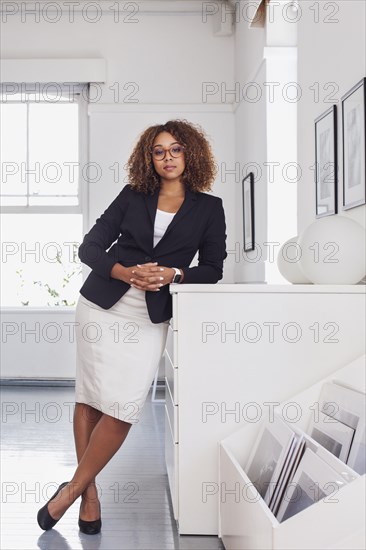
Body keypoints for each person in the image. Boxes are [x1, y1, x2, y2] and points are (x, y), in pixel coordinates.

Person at [37, 119, 227, 534]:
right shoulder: (132, 196)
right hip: (102, 305)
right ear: (149, 158)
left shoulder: (209, 207)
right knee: (89, 399)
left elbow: (213, 269)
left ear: (191, 153)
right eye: (159, 151)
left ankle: (69, 490)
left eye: (176, 149)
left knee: (123, 406)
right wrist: (124, 272)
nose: (168, 158)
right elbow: (89, 247)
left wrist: (172, 274)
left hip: (150, 316)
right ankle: (90, 494)